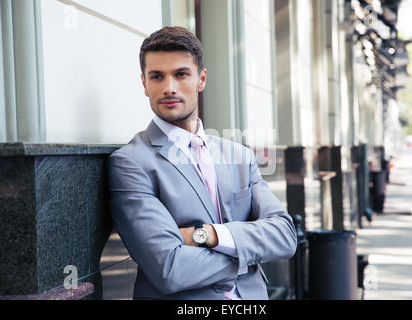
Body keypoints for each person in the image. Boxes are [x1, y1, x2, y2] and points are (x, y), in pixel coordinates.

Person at [107, 26, 297, 300]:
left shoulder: (239, 156)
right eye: (157, 76)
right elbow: (170, 268)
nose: (169, 87)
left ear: (201, 79)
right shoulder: (131, 163)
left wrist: (207, 235)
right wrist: (249, 253)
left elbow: (285, 235)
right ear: (144, 84)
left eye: (181, 74)